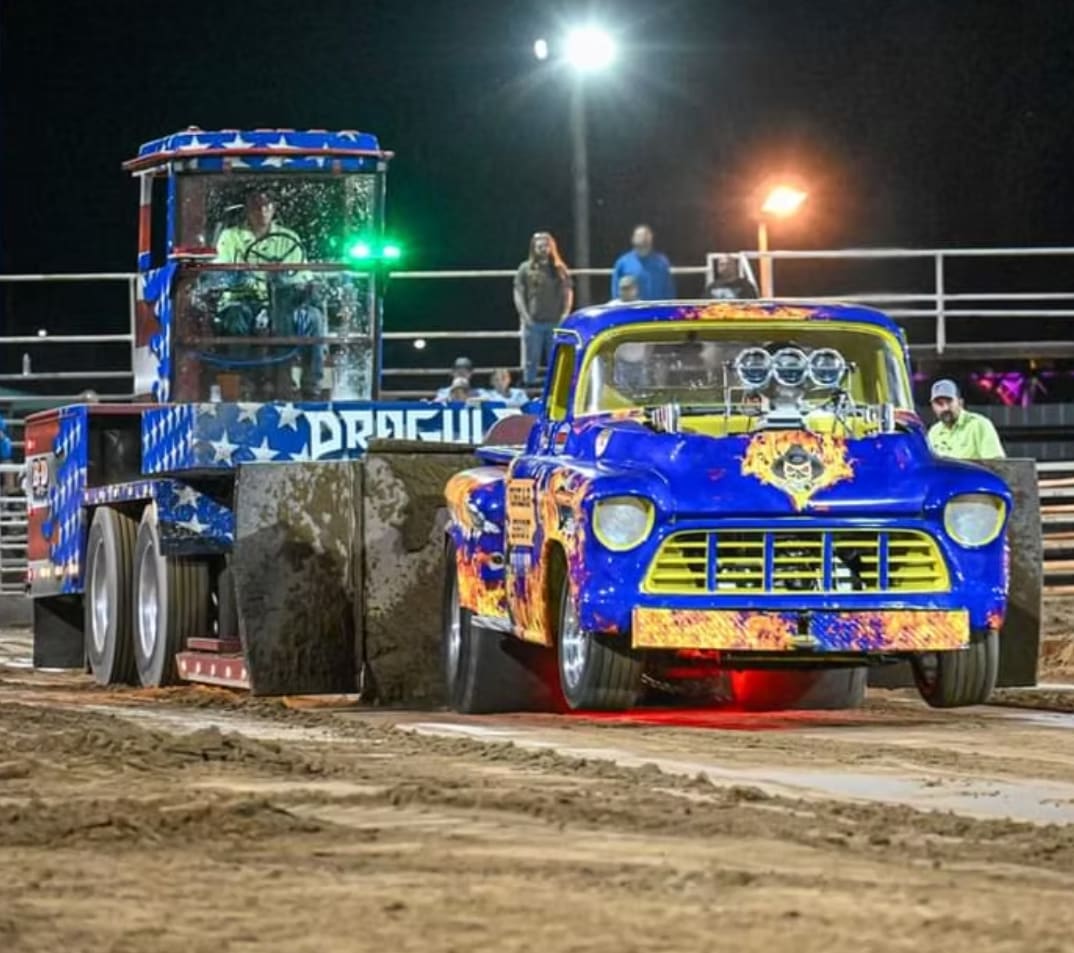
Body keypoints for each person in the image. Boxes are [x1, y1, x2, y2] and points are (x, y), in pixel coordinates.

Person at [213, 188, 325, 397]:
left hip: (284, 302)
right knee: (236, 318)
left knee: (314, 318)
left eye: (266, 205)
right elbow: (222, 272)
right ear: (247, 209)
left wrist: (287, 282)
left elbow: (302, 275)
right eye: (256, 206)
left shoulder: (289, 238)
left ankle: (311, 386)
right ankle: (243, 382)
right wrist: (242, 278)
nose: (261, 211)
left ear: (274, 209)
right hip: (244, 300)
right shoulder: (230, 237)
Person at [514, 232, 573, 386]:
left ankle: (556, 389)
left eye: (545, 246)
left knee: (555, 359)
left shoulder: (560, 269)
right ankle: (529, 389)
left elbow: (568, 291)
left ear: (551, 247)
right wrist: (525, 316)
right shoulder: (525, 268)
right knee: (531, 361)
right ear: (533, 248)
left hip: (555, 322)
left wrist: (565, 314)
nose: (542, 249)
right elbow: (518, 293)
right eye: (539, 246)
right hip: (534, 322)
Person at [927, 379, 1006, 459]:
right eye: (939, 403)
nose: (945, 408)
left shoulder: (979, 425)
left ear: (960, 403)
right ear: (933, 407)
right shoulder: (934, 432)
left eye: (949, 402)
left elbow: (996, 463)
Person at [610, 225, 674, 301]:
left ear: (651, 238)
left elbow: (669, 291)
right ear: (633, 239)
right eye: (639, 236)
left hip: (657, 307)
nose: (643, 238)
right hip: (632, 308)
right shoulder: (622, 263)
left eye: (646, 235)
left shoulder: (662, 262)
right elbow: (616, 293)